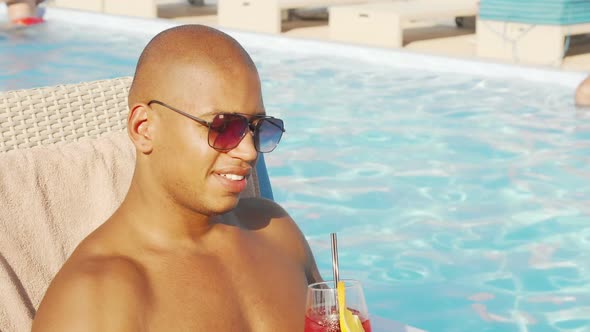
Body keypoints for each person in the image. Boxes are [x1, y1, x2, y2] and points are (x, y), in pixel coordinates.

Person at [31, 24, 322, 331]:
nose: (249, 152)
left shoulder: (275, 230)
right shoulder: (94, 299)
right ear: (144, 128)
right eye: (223, 127)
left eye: (257, 127)